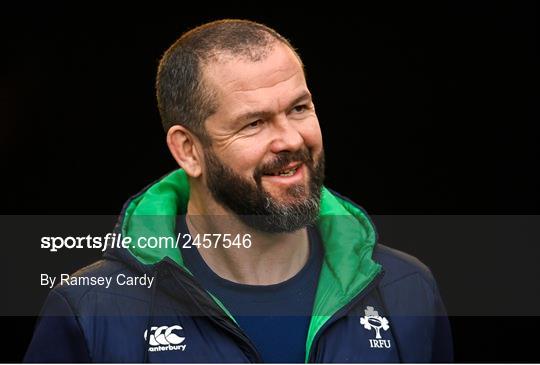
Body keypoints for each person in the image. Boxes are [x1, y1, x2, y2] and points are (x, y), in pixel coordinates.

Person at [25, 19, 453, 363]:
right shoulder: (91, 309)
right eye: (254, 123)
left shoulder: (405, 289)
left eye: (299, 108)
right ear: (188, 150)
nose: (290, 139)